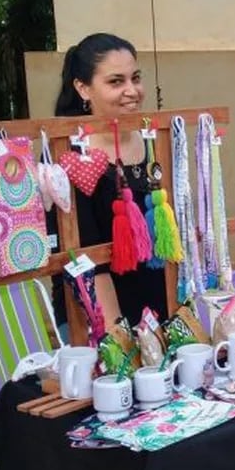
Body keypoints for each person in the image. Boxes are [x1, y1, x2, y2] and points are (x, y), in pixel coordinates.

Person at [52, 32, 168, 329]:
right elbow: (89, 261)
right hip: (96, 317)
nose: (132, 90)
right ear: (82, 88)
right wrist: (118, 337)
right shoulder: (69, 157)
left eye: (135, 78)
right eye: (116, 82)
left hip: (157, 309)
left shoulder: (154, 143)